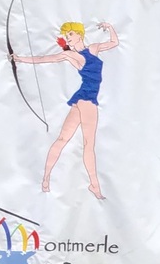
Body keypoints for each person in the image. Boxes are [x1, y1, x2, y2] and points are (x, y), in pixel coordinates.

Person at [13, 20, 119, 200]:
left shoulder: (93, 48)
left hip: (81, 100)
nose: (67, 38)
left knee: (63, 139)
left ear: (79, 34)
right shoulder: (71, 55)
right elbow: (44, 59)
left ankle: (46, 180)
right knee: (88, 144)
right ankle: (94, 185)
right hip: (87, 101)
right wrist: (20, 59)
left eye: (70, 34)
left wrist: (109, 27)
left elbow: (114, 43)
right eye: (66, 35)